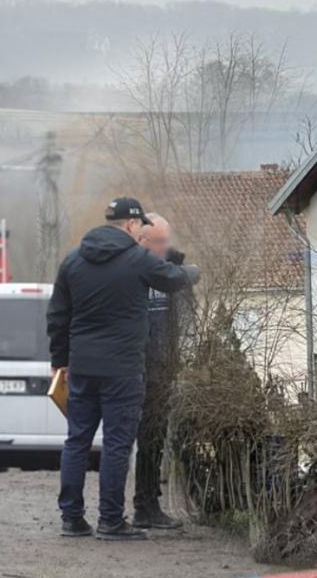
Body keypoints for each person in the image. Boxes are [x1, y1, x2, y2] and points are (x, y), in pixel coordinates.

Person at [48, 197, 199, 541]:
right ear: (131, 225)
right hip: (123, 368)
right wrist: (194, 272)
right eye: (141, 225)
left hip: (82, 367)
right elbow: (173, 279)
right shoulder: (137, 259)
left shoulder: (72, 261)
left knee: (77, 440)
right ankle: (111, 521)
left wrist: (60, 362)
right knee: (117, 444)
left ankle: (71, 519)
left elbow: (57, 316)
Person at [132, 213, 185, 529]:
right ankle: (143, 506)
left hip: (164, 366)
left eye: (168, 241)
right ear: (142, 241)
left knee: (156, 437)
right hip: (138, 367)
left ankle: (149, 504)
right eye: (159, 243)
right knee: (143, 437)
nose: (166, 248)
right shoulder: (131, 272)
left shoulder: (169, 270)